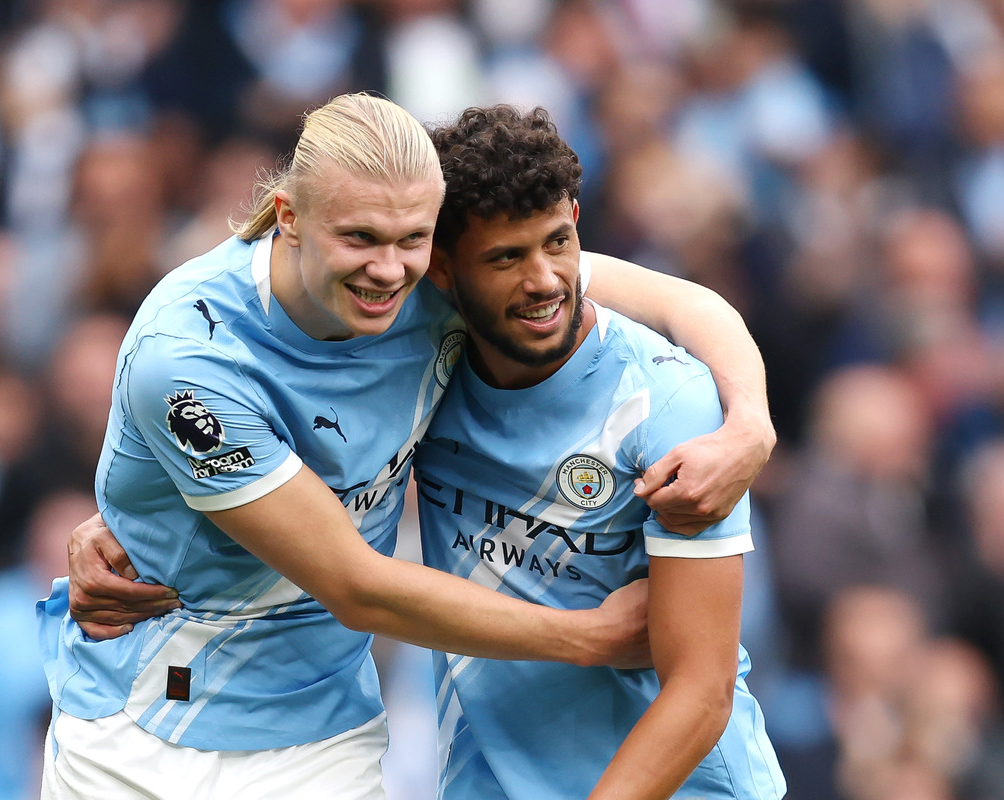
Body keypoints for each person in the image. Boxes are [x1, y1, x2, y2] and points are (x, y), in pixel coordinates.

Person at [42, 93, 776, 799]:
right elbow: (354, 582)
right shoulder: (192, 356)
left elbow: (684, 301)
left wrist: (749, 423)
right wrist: (588, 636)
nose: (388, 268)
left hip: (318, 736)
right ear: (290, 218)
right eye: (359, 237)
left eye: (411, 241)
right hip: (134, 729)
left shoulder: (454, 296)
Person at [412, 104, 784, 799]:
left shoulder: (668, 404)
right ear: (441, 271)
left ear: (577, 221)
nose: (545, 280)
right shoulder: (414, 362)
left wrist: (753, 423)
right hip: (484, 778)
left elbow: (701, 692)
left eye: (557, 242)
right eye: (505, 258)